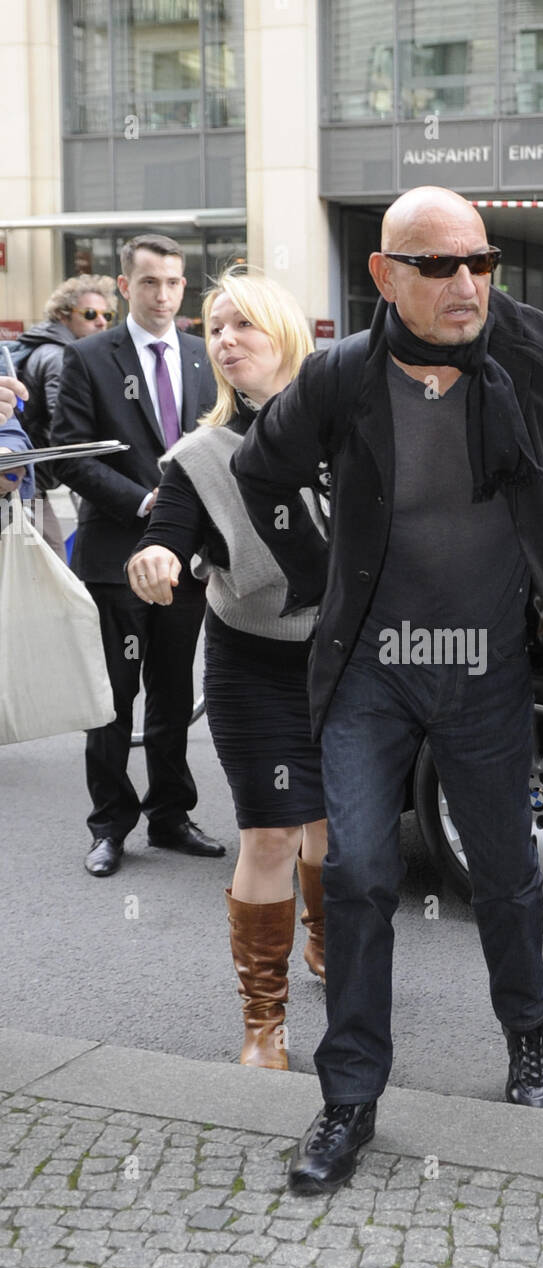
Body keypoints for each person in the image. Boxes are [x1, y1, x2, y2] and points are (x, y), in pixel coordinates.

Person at [233, 185, 543, 1193]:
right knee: (359, 872)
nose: (466, 284)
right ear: (385, 274)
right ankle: (348, 1097)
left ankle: (528, 1036)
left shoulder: (529, 346)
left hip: (489, 664)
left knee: (503, 869)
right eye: (440, 265)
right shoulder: (338, 378)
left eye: (479, 262)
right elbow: (258, 471)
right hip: (370, 667)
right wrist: (316, 574)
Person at [126, 271, 328, 1069]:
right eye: (215, 327)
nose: (227, 338)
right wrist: (154, 556)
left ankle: (327, 940)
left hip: (346, 660)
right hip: (253, 662)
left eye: (245, 323)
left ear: (284, 333)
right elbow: (169, 528)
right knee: (274, 831)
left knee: (336, 829)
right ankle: (264, 1024)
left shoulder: (345, 429)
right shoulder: (201, 455)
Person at [51, 233, 224, 877]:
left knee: (174, 693)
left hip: (187, 563)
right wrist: (144, 502)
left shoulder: (205, 356)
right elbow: (71, 449)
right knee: (113, 699)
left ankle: (172, 815)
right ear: (125, 286)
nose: (164, 294)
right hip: (116, 555)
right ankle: (109, 826)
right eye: (150, 282)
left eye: (175, 282)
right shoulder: (91, 357)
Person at [15, 275, 117, 560]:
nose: (101, 322)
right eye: (89, 314)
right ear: (62, 315)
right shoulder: (59, 357)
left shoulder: (41, 346)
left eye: (106, 315)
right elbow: (64, 421)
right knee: (52, 568)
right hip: (26, 487)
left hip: (31, 485)